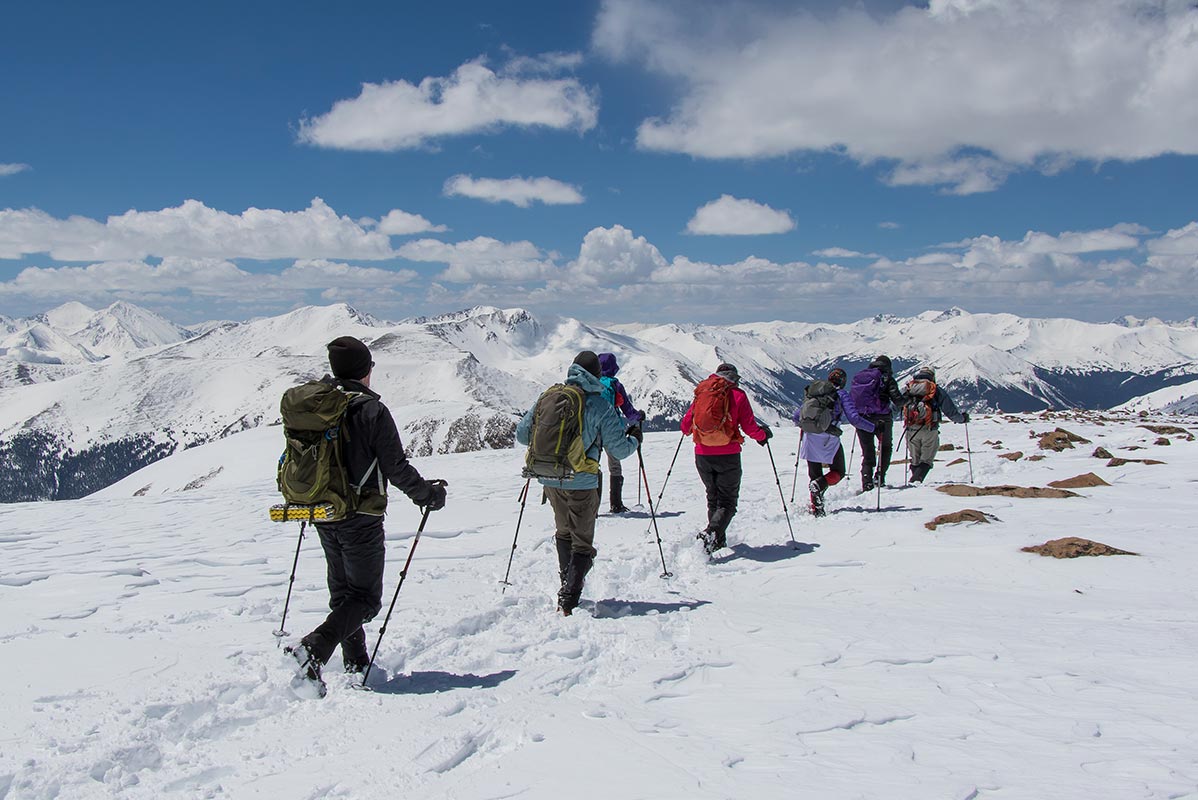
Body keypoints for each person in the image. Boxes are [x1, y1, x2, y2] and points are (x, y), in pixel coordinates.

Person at [287, 336, 447, 692]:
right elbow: (395, 466)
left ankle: (355, 663)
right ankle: (313, 648)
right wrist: (428, 495)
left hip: (322, 510)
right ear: (365, 371)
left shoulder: (320, 406)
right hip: (360, 515)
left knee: (344, 592)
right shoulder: (370, 410)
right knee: (365, 599)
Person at [516, 351, 641, 615]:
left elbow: (522, 435)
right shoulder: (598, 405)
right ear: (597, 375)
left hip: (550, 477)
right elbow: (619, 450)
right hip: (582, 482)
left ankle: (566, 582)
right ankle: (569, 598)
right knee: (582, 541)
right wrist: (636, 439)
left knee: (563, 532)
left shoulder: (548, 396)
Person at [680, 363, 771, 553]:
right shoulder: (737, 395)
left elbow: (686, 425)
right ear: (734, 377)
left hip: (703, 455)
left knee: (713, 497)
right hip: (728, 454)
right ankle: (711, 533)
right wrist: (763, 436)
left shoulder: (703, 391)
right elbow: (748, 426)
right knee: (728, 502)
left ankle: (717, 542)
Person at [795, 368, 875, 517]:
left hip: (810, 436)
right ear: (843, 381)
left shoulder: (814, 393)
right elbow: (854, 419)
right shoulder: (841, 394)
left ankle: (817, 510)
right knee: (838, 471)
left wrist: (805, 426)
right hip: (829, 437)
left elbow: (796, 416)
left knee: (814, 473)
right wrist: (874, 428)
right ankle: (820, 485)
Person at [597, 352, 646, 514]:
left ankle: (591, 507)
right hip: (612, 428)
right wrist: (639, 416)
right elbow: (628, 410)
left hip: (593, 428)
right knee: (615, 466)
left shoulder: (592, 384)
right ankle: (616, 504)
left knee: (591, 465)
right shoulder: (615, 384)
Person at [901, 366, 968, 483]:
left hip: (910, 429)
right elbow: (950, 411)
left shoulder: (908, 389)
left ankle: (914, 483)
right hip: (929, 428)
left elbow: (894, 406)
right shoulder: (935, 390)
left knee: (915, 460)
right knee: (926, 460)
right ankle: (916, 481)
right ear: (932, 376)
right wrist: (962, 419)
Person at [850, 355, 906, 491]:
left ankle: (866, 481)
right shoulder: (887, 378)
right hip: (882, 418)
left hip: (862, 418)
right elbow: (898, 400)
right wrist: (907, 399)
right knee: (886, 447)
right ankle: (880, 477)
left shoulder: (861, 377)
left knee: (867, 451)